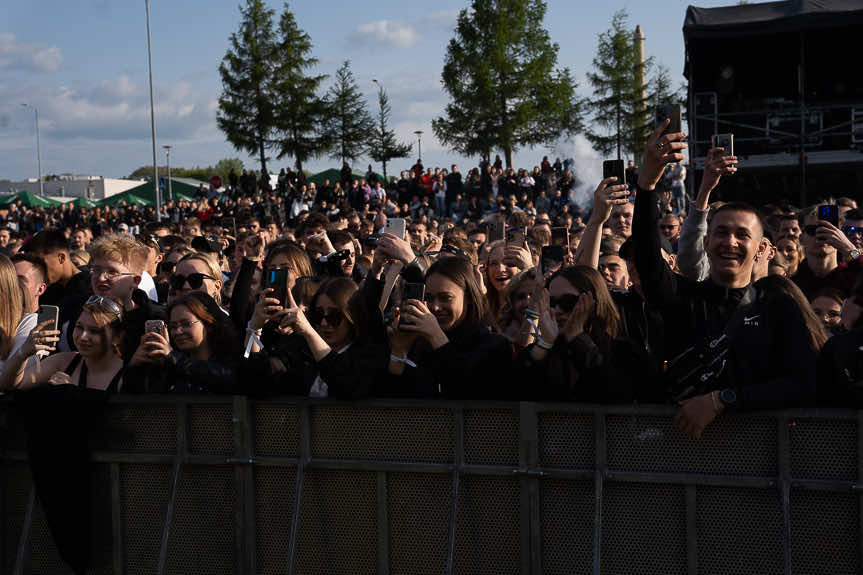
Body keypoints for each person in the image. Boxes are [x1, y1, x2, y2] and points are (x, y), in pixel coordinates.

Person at [634, 120, 816, 439]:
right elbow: (649, 261)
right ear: (706, 243)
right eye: (720, 232)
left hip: (760, 468)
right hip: (684, 466)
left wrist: (723, 400)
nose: (729, 242)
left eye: (741, 235)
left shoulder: (779, 308)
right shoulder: (683, 299)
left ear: (761, 248)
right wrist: (647, 186)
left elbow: (802, 383)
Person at [517, 266, 651, 402]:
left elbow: (616, 392)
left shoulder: (624, 352)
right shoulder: (543, 350)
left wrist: (578, 339)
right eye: (552, 302)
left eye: (568, 302)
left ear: (594, 302)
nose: (557, 310)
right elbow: (517, 394)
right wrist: (544, 344)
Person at [386, 257, 512, 399]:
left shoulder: (494, 346)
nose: (436, 307)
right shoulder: (419, 345)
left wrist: (437, 337)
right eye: (429, 298)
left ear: (469, 297)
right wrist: (399, 351)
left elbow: (467, 392)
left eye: (446, 297)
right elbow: (394, 405)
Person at [126, 292, 238, 393]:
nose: (178, 332)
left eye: (186, 324)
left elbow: (224, 378)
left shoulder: (228, 363)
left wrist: (173, 357)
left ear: (208, 325)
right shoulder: (167, 369)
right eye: (173, 326)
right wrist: (135, 367)